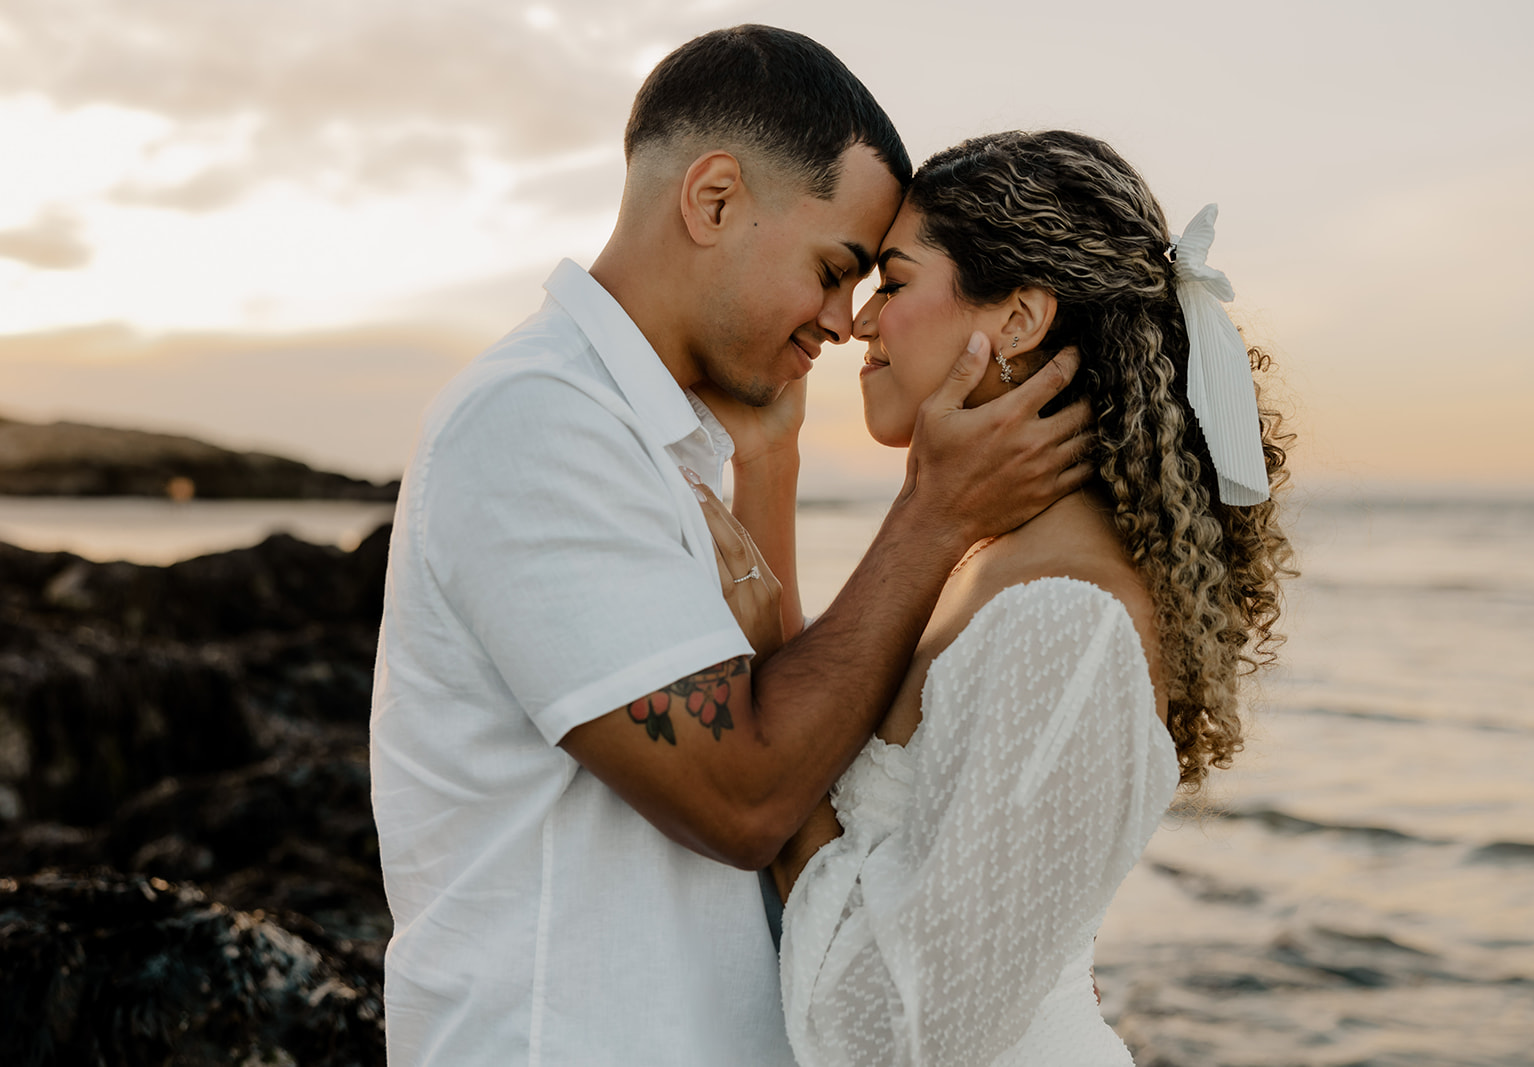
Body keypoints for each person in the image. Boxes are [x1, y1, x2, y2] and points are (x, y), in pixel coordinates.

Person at [369, 28, 1093, 1067]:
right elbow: (745, 796)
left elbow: (784, 724)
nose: (845, 323)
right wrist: (933, 516)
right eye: (835, 268)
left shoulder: (649, 440)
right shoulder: (536, 421)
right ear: (713, 200)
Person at [704, 129, 1294, 1065]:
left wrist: (776, 798)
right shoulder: (990, 563)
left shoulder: (1067, 623)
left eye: (894, 282)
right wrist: (771, 464)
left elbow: (888, 1039)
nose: (859, 322)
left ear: (1017, 319)